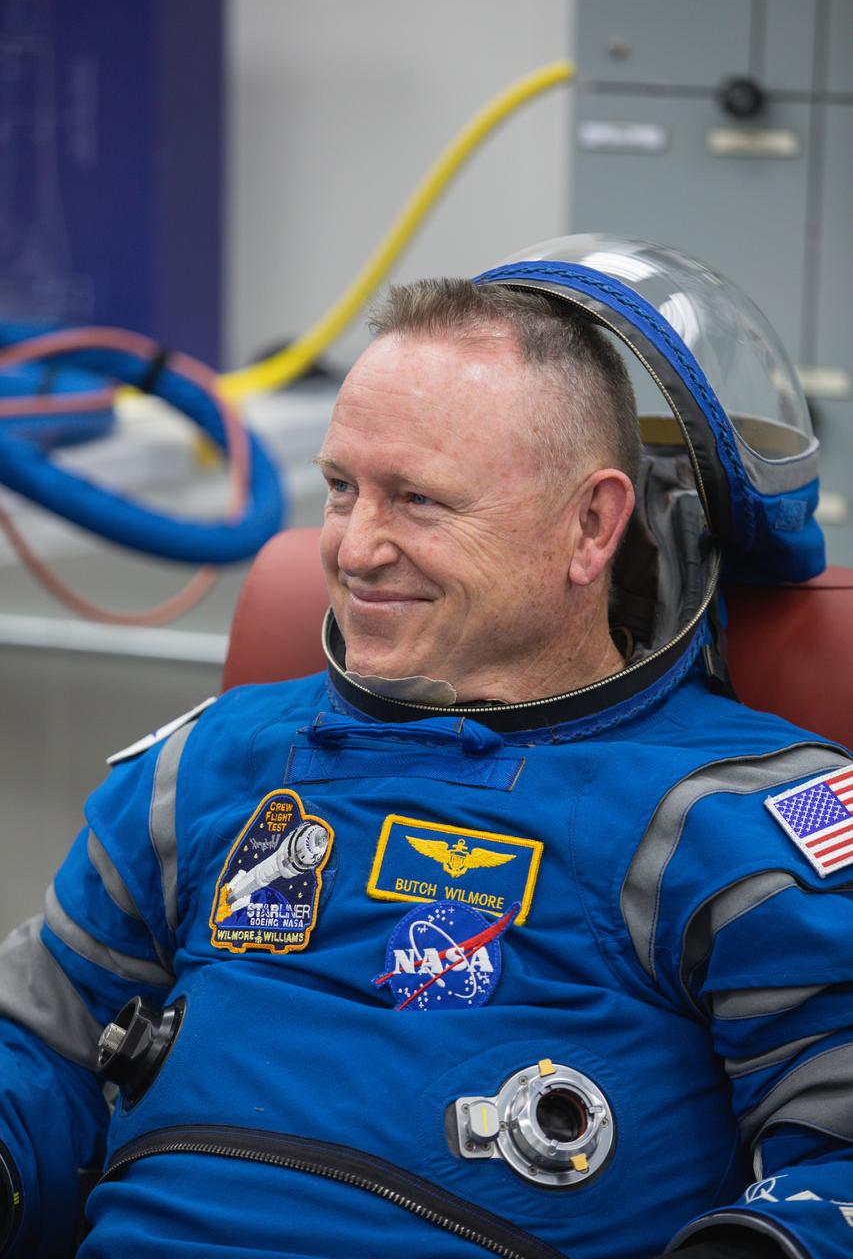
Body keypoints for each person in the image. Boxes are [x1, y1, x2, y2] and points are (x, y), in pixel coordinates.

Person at [0, 237, 850, 1259]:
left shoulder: (743, 817)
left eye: (419, 499)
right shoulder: (206, 770)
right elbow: (38, 1053)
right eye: (342, 487)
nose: (354, 548)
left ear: (591, 524)